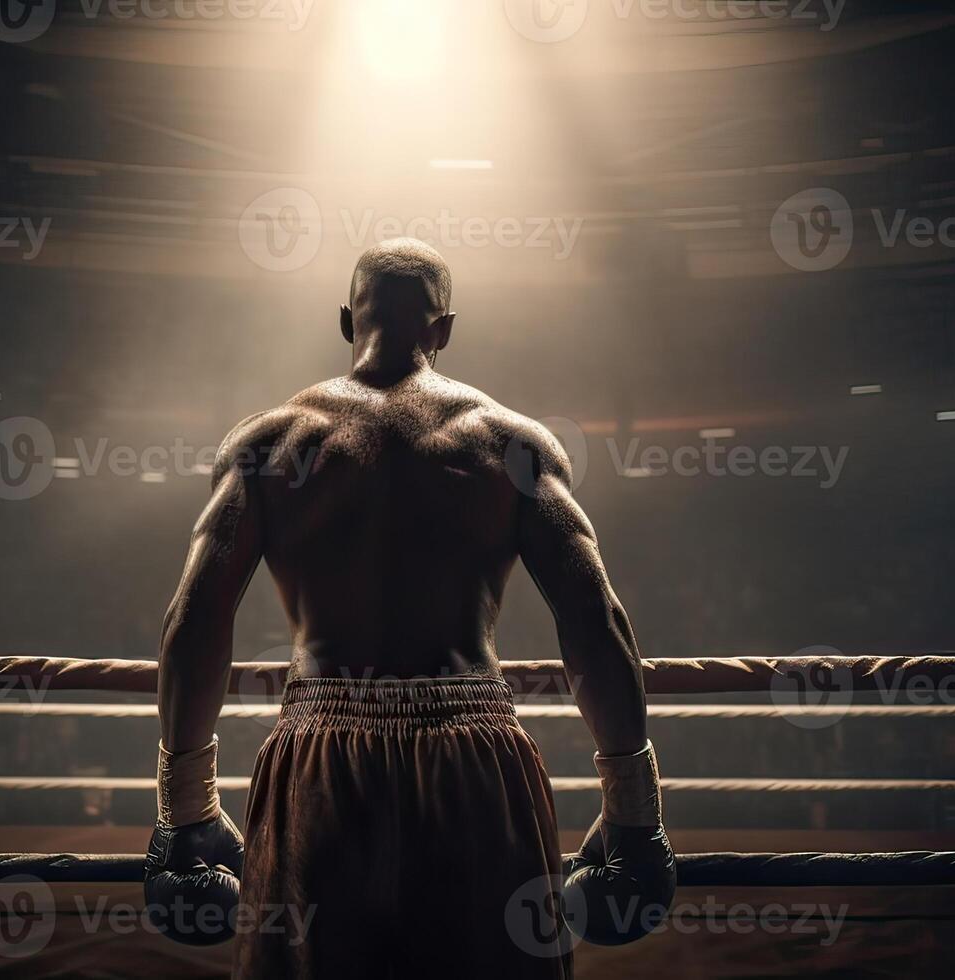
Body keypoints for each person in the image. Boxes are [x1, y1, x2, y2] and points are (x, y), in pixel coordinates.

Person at [146, 239, 676, 978]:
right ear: (445, 328)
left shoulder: (269, 443)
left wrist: (186, 810)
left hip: (320, 752)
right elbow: (597, 621)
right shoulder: (507, 442)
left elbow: (192, 623)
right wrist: (632, 812)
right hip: (473, 751)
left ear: (343, 319)